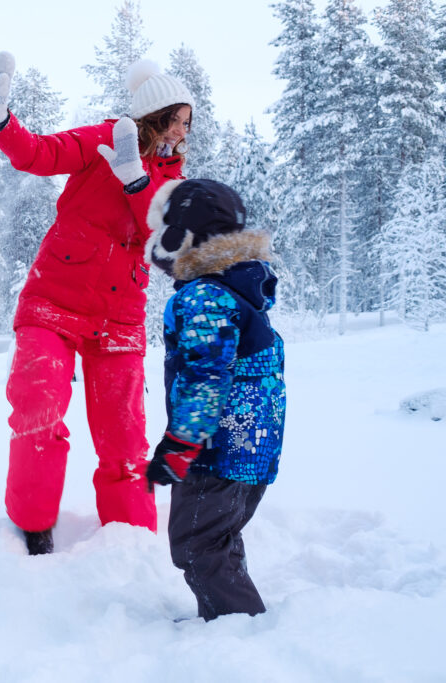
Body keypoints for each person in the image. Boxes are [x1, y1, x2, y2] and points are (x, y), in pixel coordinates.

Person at [0, 52, 194, 554]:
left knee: (125, 443)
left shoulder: (176, 182)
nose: (185, 132)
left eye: (188, 123)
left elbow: (166, 237)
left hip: (119, 320)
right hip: (53, 301)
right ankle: (32, 530)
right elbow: (39, 153)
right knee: (39, 406)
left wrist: (136, 181)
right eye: (180, 121)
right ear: (158, 114)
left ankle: (132, 546)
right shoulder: (103, 139)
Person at [143, 178, 286, 621]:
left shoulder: (204, 296)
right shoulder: (237, 289)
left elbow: (206, 375)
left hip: (217, 452)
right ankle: (224, 616)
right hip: (252, 450)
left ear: (182, 236)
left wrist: (181, 444)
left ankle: (239, 626)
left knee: (196, 545)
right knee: (217, 540)